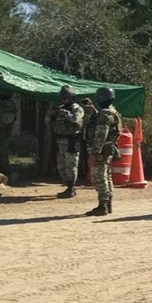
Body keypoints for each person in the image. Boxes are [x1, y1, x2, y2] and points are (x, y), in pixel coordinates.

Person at [84, 87, 122, 217]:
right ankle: (108, 204)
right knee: (107, 177)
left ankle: (103, 206)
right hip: (109, 149)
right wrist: (92, 109)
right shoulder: (112, 112)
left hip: (102, 151)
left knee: (98, 178)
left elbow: (101, 135)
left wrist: (94, 153)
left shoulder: (105, 115)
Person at [49, 85, 85, 198]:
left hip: (71, 140)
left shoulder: (76, 108)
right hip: (60, 140)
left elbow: (75, 119)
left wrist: (65, 113)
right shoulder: (59, 108)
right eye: (63, 97)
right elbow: (49, 121)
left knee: (71, 165)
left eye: (67, 97)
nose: (64, 99)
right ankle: (68, 186)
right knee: (61, 166)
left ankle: (71, 188)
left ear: (72, 97)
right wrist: (53, 113)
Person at [0, 89, 17, 182]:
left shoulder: (6, 105)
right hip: (3, 131)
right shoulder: (8, 104)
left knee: (2, 153)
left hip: (2, 131)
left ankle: (6, 174)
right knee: (1, 152)